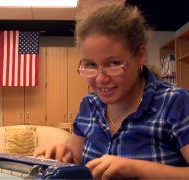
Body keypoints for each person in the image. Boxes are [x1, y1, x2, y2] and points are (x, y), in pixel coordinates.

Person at [34, 2, 189, 180]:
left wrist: (136, 169)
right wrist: (64, 158)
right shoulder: (88, 105)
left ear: (139, 56)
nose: (100, 79)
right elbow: (76, 161)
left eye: (114, 63)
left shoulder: (175, 103)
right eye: (91, 65)